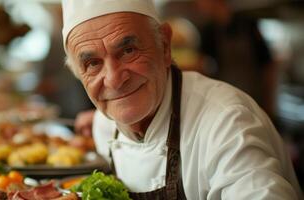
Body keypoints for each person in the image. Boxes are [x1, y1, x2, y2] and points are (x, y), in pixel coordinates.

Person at [62, 0, 302, 199]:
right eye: (92, 63)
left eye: (128, 50)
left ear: (165, 45)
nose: (114, 80)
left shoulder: (227, 123)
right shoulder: (104, 126)